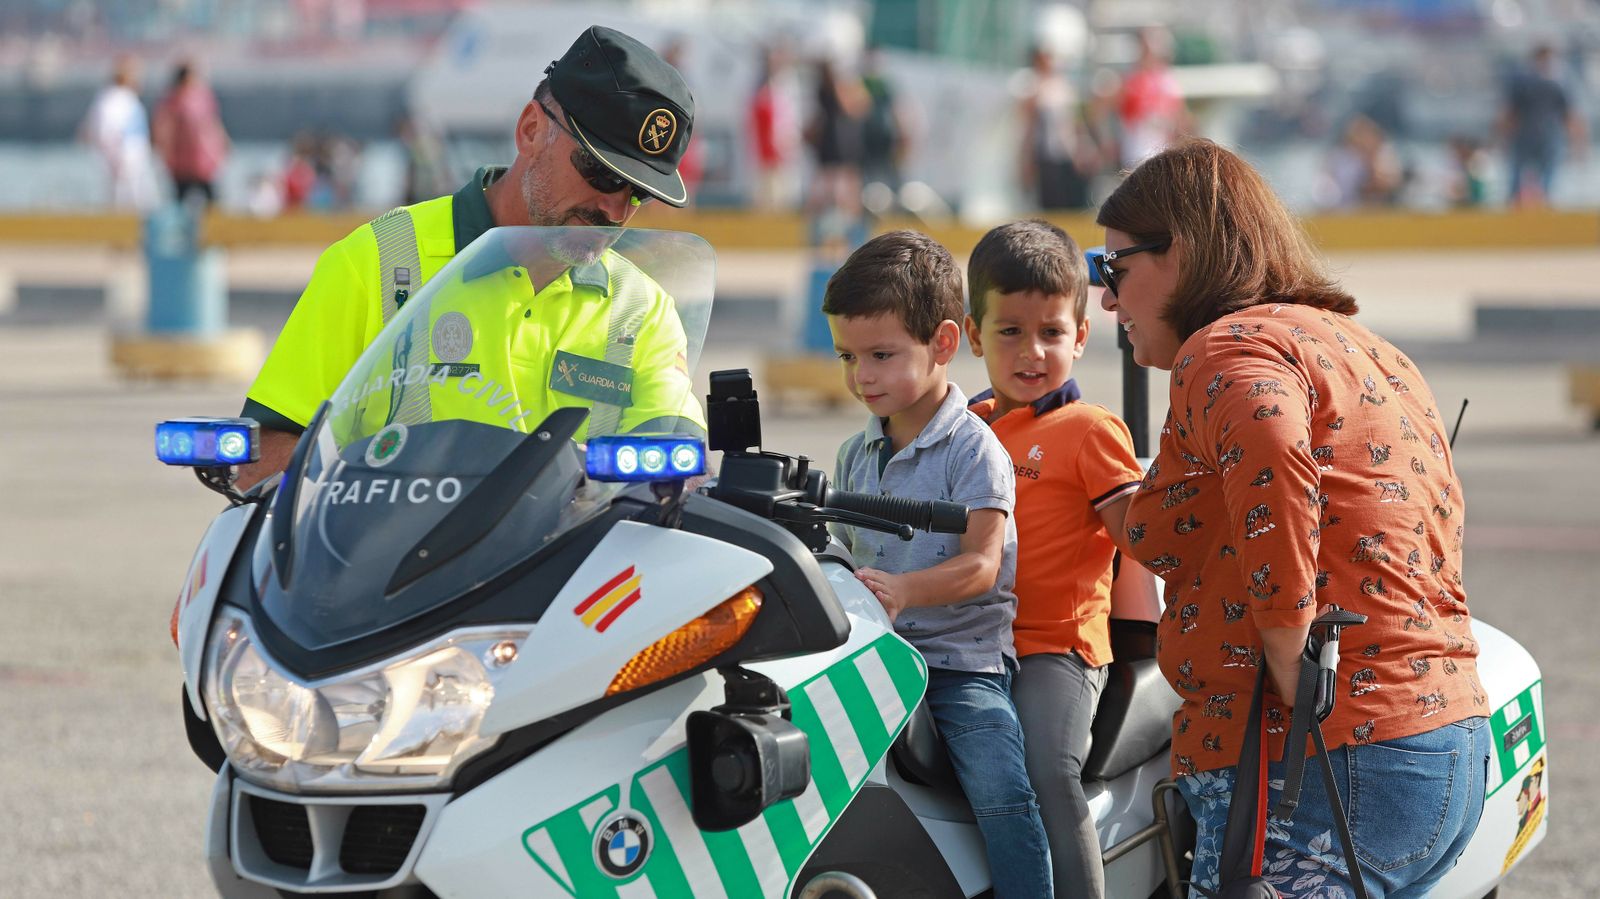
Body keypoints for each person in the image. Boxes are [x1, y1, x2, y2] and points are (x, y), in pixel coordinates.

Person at [1097, 139, 1489, 897]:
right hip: (1443, 739)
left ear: (1180, 253)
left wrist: (1289, 661)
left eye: (1115, 268)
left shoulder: (1226, 351)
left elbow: (1274, 465)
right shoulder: (1368, 350)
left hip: (1321, 757)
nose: (1107, 299)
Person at [237, 25, 698, 489]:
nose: (615, 210)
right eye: (600, 173)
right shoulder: (377, 261)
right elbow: (263, 456)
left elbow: (683, 474)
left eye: (638, 193)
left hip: (580, 563)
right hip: (397, 559)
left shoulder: (642, 311)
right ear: (531, 131)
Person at [825, 231, 1053, 899]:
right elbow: (842, 550)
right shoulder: (854, 453)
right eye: (847, 356)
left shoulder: (973, 451)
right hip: (872, 657)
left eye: (881, 355)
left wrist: (901, 591)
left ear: (945, 343)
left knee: (1004, 793)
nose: (860, 375)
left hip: (958, 664)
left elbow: (982, 565)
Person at [963, 220, 1145, 899]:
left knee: (1046, 771)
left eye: (1051, 332)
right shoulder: (966, 426)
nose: (1031, 351)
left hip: (1055, 648)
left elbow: (1142, 534)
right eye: (1009, 331)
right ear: (975, 336)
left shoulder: (1089, 430)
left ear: (1081, 336)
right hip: (970, 644)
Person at [1500, 43, 1587, 207]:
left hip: (1547, 136)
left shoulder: (1560, 83)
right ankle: (1520, 205)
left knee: (1547, 179)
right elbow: (1510, 112)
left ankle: (1539, 205)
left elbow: (1570, 115)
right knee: (1519, 178)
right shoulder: (1524, 81)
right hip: (1527, 136)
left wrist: (1578, 143)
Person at [1018, 45, 1099, 210]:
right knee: (1051, 203)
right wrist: (1025, 160)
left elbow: (1077, 123)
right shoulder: (1033, 91)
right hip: (1046, 157)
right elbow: (1029, 129)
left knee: (1073, 201)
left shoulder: (1065, 88)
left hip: (1068, 155)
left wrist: (1083, 148)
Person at [80, 56, 157, 211]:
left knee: (138, 197)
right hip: (124, 157)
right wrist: (115, 157)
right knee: (126, 198)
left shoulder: (120, 97)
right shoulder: (113, 99)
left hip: (131, 158)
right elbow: (104, 131)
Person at [152, 60, 230, 208]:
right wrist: (163, 152)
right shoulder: (171, 101)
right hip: (180, 162)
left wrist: (223, 145)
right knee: (179, 200)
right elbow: (163, 129)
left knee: (212, 199)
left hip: (203, 161)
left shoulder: (203, 98)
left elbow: (213, 124)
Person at [1111, 28, 1189, 171]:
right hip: (1134, 152)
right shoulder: (1131, 79)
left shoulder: (1167, 80)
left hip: (1162, 151)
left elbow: (1180, 118)